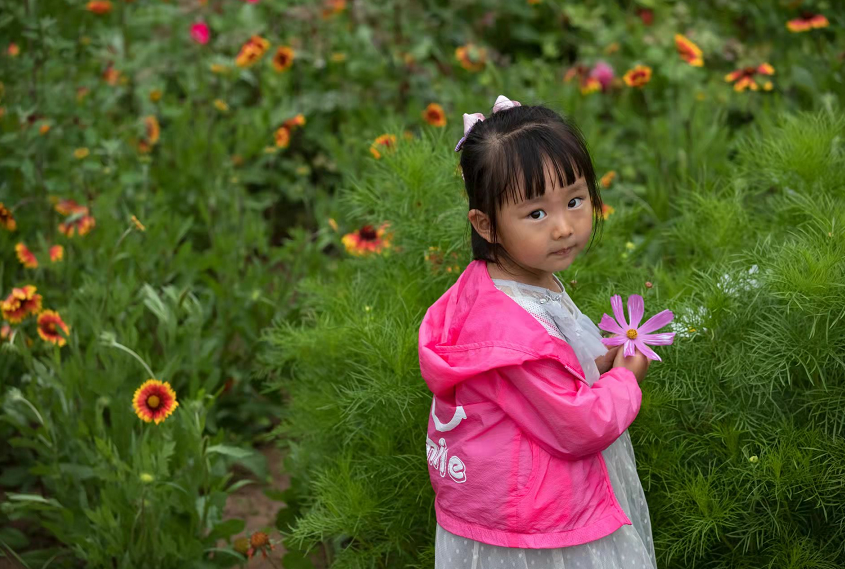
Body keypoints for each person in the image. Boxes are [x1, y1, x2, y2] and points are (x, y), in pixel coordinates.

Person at [418, 95, 657, 568]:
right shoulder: (509, 337)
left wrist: (595, 365)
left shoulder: (507, 283)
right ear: (486, 225)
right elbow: (579, 425)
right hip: (538, 533)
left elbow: (550, 380)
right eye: (536, 214)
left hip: (517, 501)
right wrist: (626, 377)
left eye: (574, 200)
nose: (564, 227)